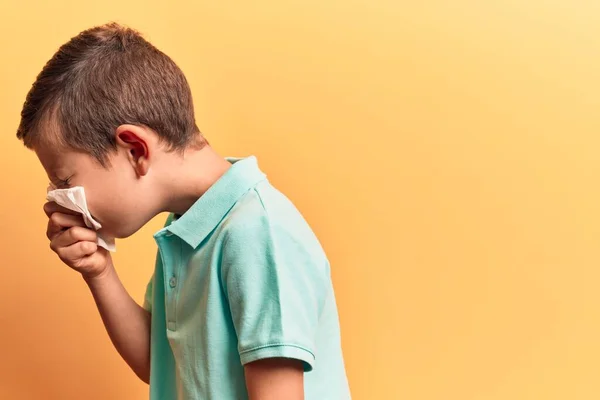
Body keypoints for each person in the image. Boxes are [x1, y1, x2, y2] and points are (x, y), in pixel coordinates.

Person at [16, 22, 350, 400]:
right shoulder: (187, 227)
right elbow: (157, 363)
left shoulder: (258, 233)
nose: (59, 199)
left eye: (65, 181)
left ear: (136, 151)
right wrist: (99, 271)